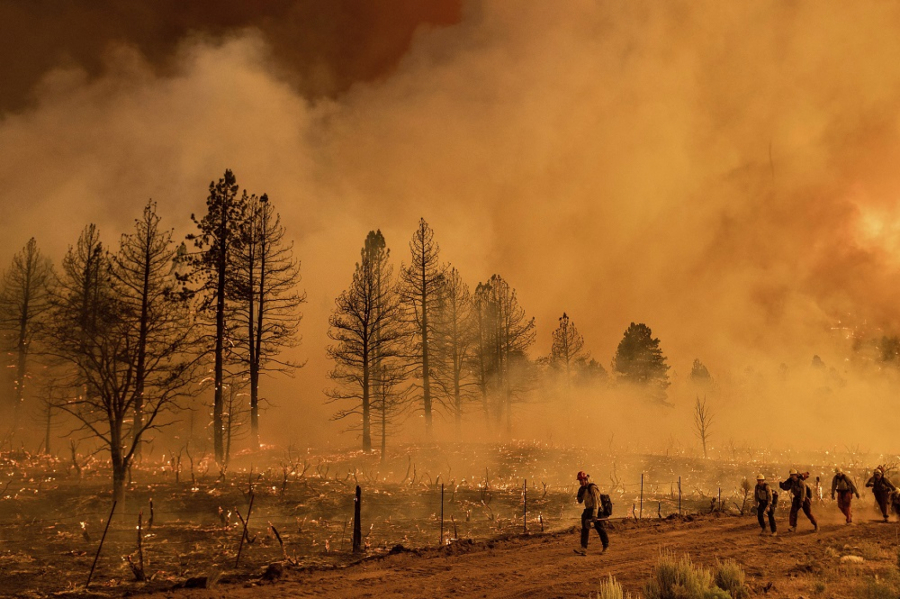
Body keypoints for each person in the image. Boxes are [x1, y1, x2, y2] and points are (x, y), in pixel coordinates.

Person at [574, 470, 609, 556]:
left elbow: (597, 502)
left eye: (582, 480)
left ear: (586, 479)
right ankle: (583, 548)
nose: (581, 482)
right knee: (585, 528)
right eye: (580, 480)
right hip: (588, 509)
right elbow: (580, 501)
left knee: (599, 528)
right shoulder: (582, 489)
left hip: (597, 510)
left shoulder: (592, 488)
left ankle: (605, 546)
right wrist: (579, 495)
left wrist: (595, 515)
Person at [779, 468, 817, 533]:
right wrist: (782, 486)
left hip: (804, 498)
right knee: (793, 512)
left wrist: (802, 501)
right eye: (791, 475)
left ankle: (816, 525)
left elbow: (803, 492)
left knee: (808, 513)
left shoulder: (801, 482)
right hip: (796, 498)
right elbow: (787, 487)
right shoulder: (791, 481)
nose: (791, 476)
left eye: (793, 475)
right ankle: (793, 526)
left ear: (796, 475)